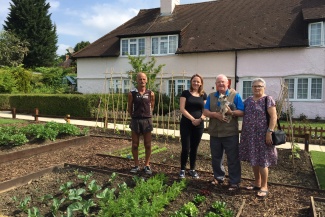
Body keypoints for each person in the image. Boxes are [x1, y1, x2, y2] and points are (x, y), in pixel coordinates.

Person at [203, 74, 244, 190]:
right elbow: (205, 111)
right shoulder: (211, 96)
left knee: (233, 158)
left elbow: (242, 111)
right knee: (216, 157)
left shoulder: (235, 95)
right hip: (215, 132)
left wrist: (232, 113)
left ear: (228, 84)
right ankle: (218, 177)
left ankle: (234, 181)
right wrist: (214, 114)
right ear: (215, 85)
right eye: (218, 82)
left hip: (230, 133)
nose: (221, 84)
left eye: (223, 82)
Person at [239, 78, 277, 198]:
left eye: (259, 86)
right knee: (254, 159)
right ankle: (257, 182)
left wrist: (269, 132)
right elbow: (241, 112)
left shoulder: (268, 99)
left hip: (263, 135)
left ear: (264, 87)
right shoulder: (248, 100)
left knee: (263, 160)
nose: (257, 88)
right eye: (254, 86)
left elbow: (273, 117)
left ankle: (264, 186)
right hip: (249, 135)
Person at [179, 74, 207, 179]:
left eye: (198, 81)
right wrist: (192, 119)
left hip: (199, 125)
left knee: (194, 148)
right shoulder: (185, 93)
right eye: (194, 81)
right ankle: (182, 169)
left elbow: (205, 110)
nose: (196, 83)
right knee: (186, 147)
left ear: (201, 83)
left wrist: (200, 119)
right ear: (191, 82)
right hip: (186, 124)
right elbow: (182, 108)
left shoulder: (203, 95)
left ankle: (192, 169)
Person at [127, 72, 155, 175]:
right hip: (136, 121)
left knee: (147, 145)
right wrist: (134, 117)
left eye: (144, 79)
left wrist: (147, 115)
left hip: (147, 121)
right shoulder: (132, 93)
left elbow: (152, 106)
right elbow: (129, 108)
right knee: (135, 144)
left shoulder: (150, 93)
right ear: (137, 80)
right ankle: (136, 165)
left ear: (146, 80)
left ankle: (147, 165)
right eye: (140, 79)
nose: (142, 81)